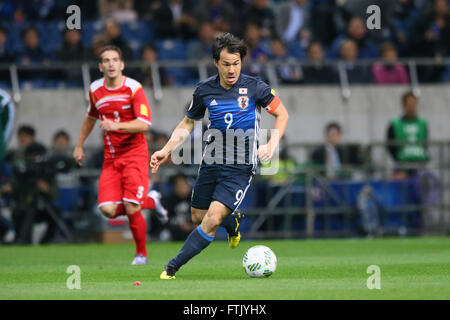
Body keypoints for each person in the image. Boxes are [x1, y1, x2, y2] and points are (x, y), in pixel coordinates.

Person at [151, 33, 289, 279]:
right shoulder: (204, 90)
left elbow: (282, 115)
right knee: (198, 217)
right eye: (226, 64)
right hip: (211, 162)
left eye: (236, 64)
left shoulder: (256, 87)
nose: (232, 70)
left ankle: (171, 268)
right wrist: (166, 149)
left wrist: (271, 145)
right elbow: (187, 123)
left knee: (212, 220)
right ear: (216, 63)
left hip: (240, 167)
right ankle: (232, 222)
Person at [73, 45, 168, 265]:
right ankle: (152, 202)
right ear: (100, 66)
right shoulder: (95, 89)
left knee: (131, 205)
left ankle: (141, 254)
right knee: (106, 209)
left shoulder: (134, 88)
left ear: (122, 64)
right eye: (106, 60)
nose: (111, 64)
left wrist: (116, 126)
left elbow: (144, 123)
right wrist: (79, 146)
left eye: (115, 59)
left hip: (134, 154)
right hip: (111, 158)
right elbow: (90, 118)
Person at [386, 91, 429, 178]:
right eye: (409, 104)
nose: (412, 107)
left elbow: (425, 142)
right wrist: (398, 161)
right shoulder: (395, 124)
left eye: (414, 104)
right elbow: (390, 146)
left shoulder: (422, 123)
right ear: (404, 106)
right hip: (401, 165)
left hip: (419, 164)